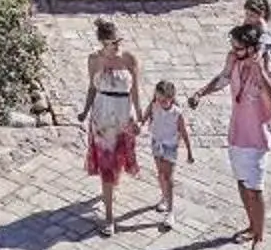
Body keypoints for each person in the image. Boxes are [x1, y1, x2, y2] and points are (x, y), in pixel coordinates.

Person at [190, 15, 271, 250]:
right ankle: (252, 226)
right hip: (236, 135)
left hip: (256, 140)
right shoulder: (234, 61)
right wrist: (201, 92)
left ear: (253, 49)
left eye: (239, 48)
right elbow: (222, 79)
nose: (233, 52)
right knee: (243, 185)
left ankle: (259, 240)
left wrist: (260, 71)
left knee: (256, 190)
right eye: (232, 47)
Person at [79, 19, 143, 234]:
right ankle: (109, 218)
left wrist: (140, 116)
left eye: (118, 41)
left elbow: (135, 91)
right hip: (102, 117)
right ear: (103, 44)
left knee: (120, 157)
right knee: (107, 164)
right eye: (112, 43)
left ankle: (111, 189)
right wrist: (85, 110)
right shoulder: (94, 60)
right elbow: (91, 88)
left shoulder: (129, 59)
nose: (117, 46)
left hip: (124, 114)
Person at [142, 77, 193, 221]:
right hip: (156, 143)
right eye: (158, 99)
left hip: (170, 146)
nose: (160, 102)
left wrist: (189, 152)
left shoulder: (177, 113)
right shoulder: (154, 105)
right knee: (160, 174)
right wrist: (138, 125)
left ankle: (170, 212)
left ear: (171, 98)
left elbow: (184, 132)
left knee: (169, 178)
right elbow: (144, 119)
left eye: (163, 100)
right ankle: (164, 198)